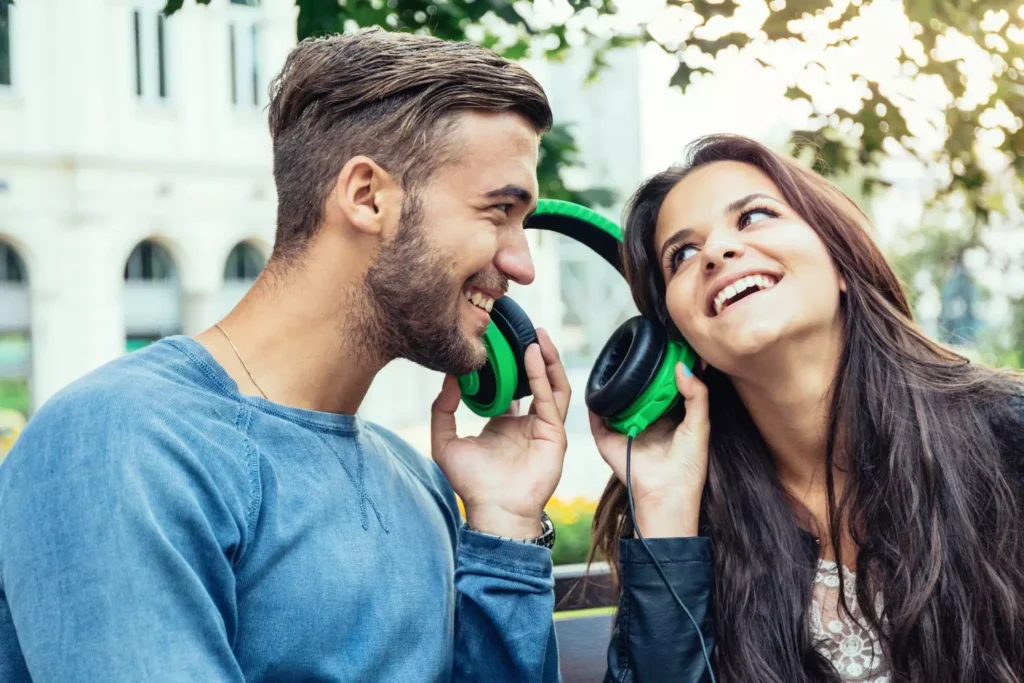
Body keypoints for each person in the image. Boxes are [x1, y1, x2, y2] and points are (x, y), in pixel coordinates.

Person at [0, 28, 571, 682]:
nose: (520, 264)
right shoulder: (118, 443)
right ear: (366, 196)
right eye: (498, 211)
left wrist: (504, 521)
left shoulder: (422, 484)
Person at [591, 133, 1024, 683]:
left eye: (752, 217)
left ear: (840, 260)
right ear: (676, 339)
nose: (718, 252)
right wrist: (667, 521)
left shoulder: (1009, 431)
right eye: (682, 254)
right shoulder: (687, 517)